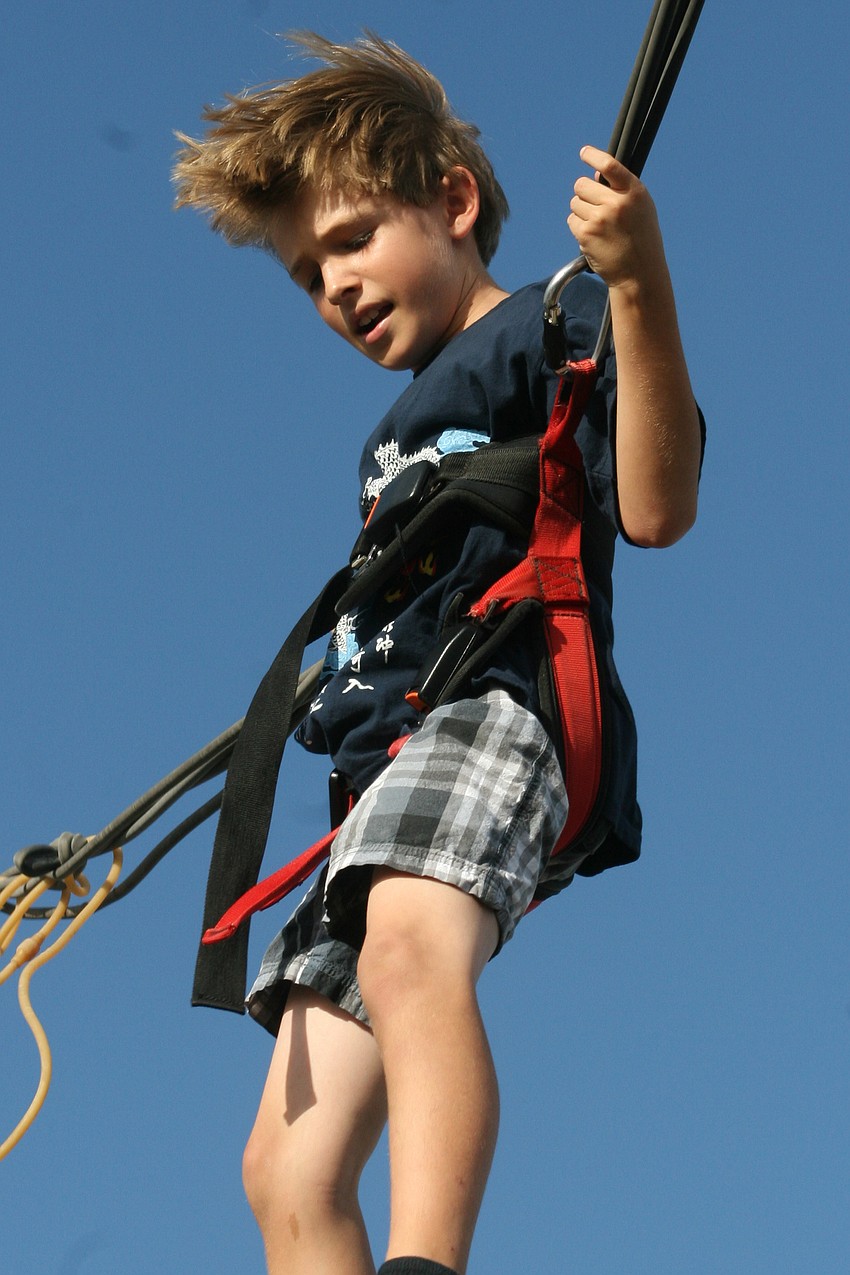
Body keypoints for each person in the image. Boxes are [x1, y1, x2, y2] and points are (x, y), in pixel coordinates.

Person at [173, 31, 703, 1275]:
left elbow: (659, 507)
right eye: (308, 272)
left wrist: (639, 283)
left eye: (352, 241)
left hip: (495, 712)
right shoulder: (385, 448)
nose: (335, 287)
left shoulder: (552, 320)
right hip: (378, 776)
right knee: (285, 1164)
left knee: (414, 946)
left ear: (452, 201)